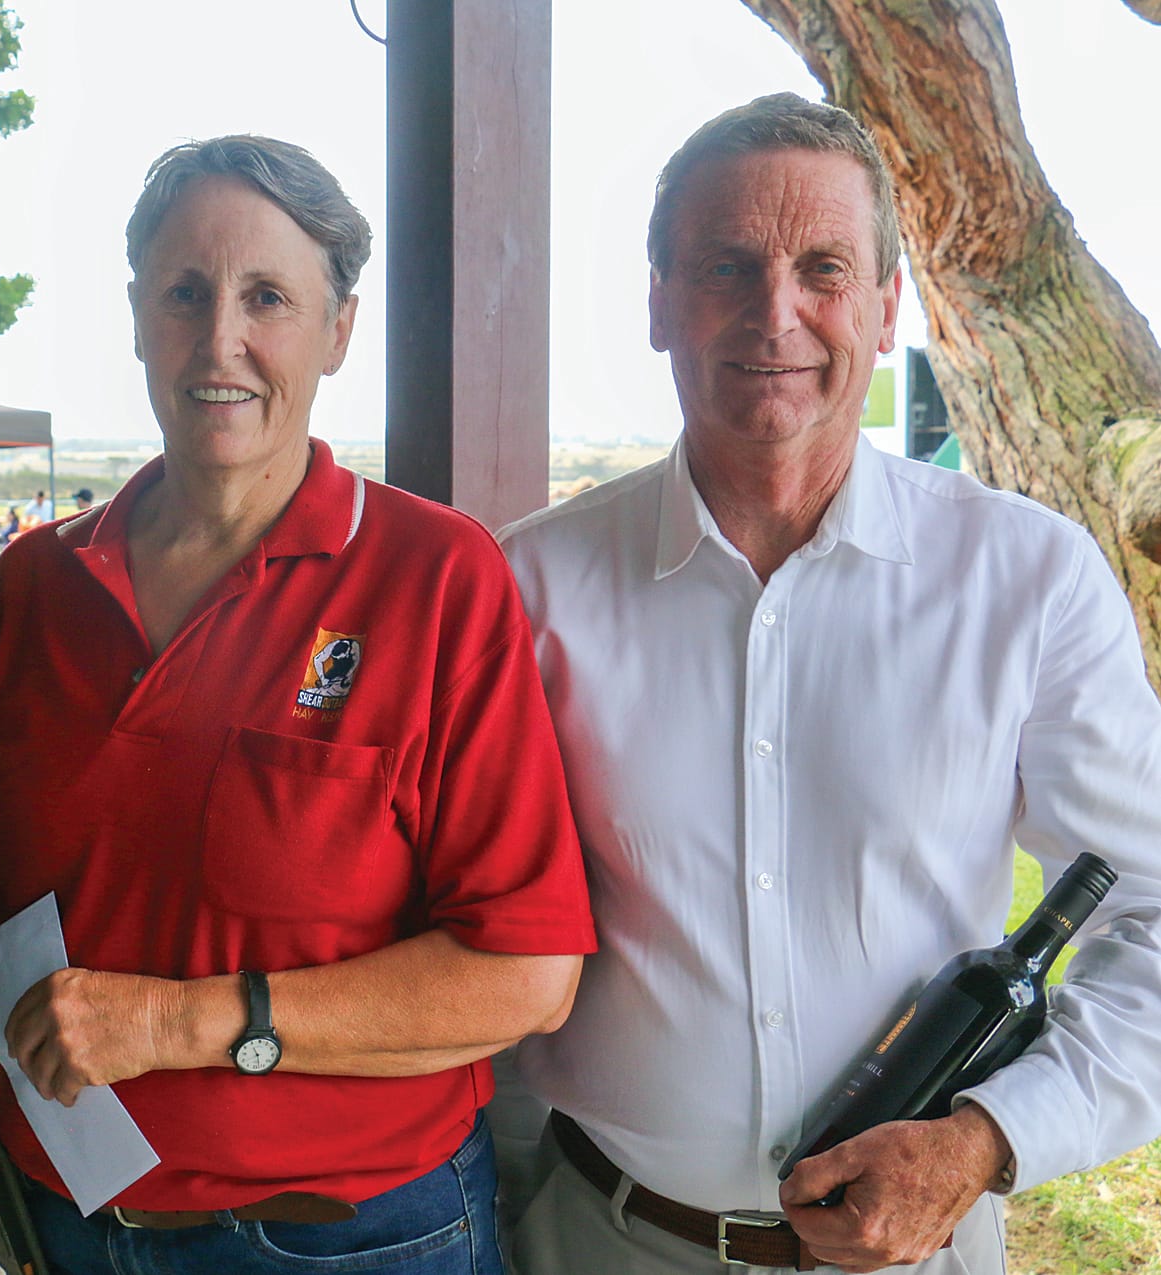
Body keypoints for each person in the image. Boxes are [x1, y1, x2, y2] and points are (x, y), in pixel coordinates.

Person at [494, 92, 1161, 1274]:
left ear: (885, 305)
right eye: (723, 266)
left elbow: (1154, 914)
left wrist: (989, 1139)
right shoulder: (525, 589)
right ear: (656, 301)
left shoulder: (1026, 580)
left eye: (823, 268)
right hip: (597, 1241)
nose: (775, 313)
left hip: (920, 1252)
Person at [0, 135, 595, 1275]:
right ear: (136, 318)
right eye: (184, 293)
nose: (219, 338)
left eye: (267, 297)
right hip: (60, 1227)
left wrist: (171, 1023)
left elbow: (524, 977)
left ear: (337, 332)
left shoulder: (431, 575)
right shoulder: (35, 588)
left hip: (352, 1241)